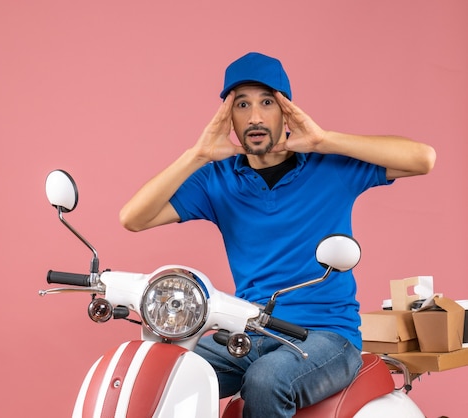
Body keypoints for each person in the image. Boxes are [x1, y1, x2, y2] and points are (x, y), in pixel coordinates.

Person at [119, 52, 436, 418]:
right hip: (249, 333)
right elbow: (133, 218)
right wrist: (198, 153)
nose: (255, 116)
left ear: (286, 112)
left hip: (327, 338)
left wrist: (323, 140)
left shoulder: (329, 166)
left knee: (267, 380)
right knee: (162, 370)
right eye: (242, 104)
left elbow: (422, 159)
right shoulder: (218, 180)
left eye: (267, 102)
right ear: (229, 118)